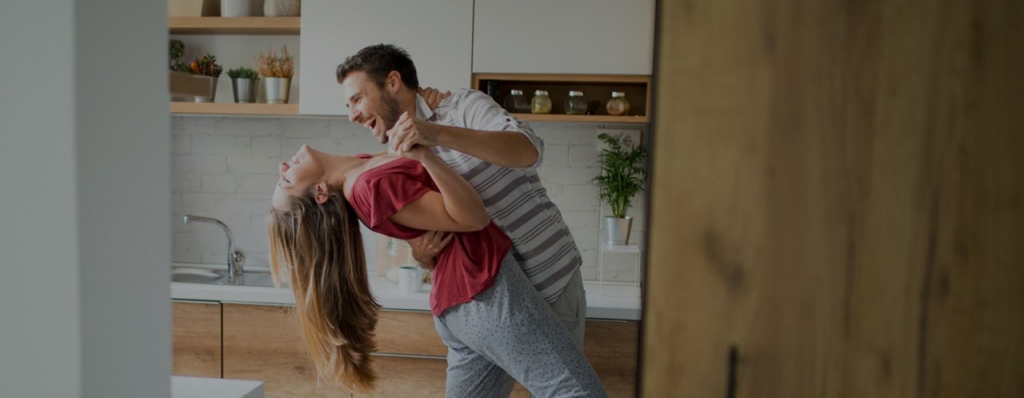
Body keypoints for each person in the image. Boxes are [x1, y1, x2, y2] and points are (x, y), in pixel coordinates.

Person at [336, 45, 591, 395]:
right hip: (487, 303)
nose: (351, 114)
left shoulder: (461, 106)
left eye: (356, 99)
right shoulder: (395, 156)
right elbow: (436, 234)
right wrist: (424, 256)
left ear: (392, 82)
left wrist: (433, 133)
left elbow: (528, 149)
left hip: (548, 281)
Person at [267, 144, 606, 397]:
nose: (283, 166)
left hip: (459, 306)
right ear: (321, 193)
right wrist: (426, 153)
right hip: (484, 294)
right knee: (576, 392)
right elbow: (471, 217)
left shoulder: (363, 167)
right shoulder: (367, 186)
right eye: (286, 180)